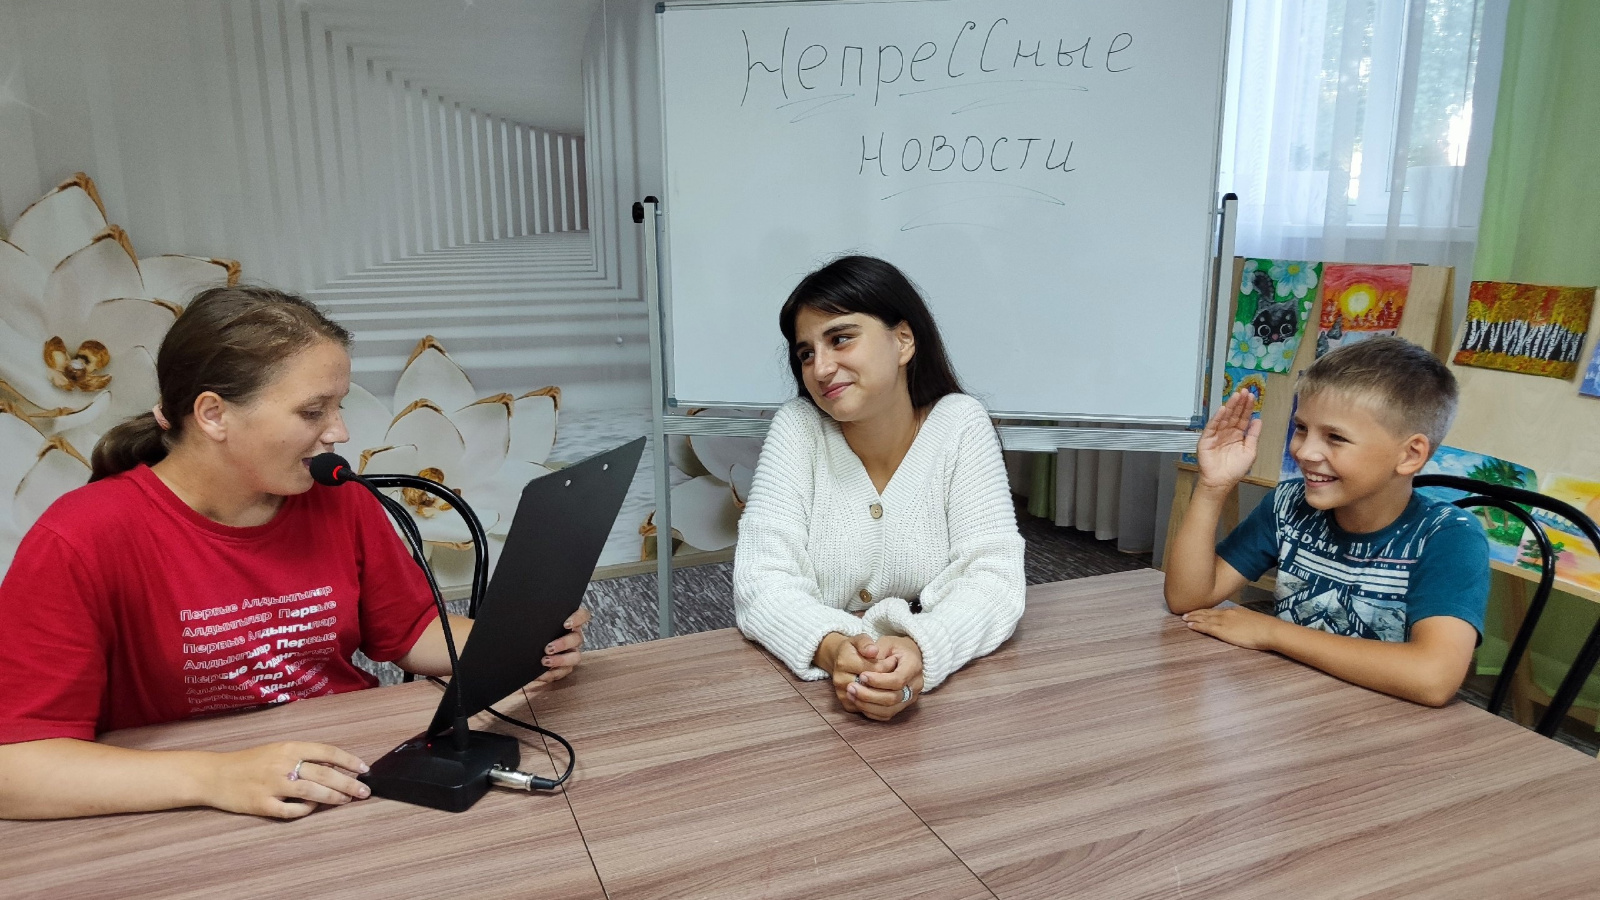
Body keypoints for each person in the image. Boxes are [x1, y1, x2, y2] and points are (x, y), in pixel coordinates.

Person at [0, 286, 588, 820]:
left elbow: (409, 631)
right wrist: (216, 776)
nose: (339, 432)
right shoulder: (79, 538)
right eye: (313, 411)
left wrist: (522, 642)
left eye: (338, 407)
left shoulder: (336, 498)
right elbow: (15, 769)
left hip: (346, 772)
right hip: (191, 806)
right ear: (213, 415)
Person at [733, 256, 1025, 721]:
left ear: (903, 340)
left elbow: (995, 579)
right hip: (806, 700)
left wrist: (921, 648)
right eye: (806, 353)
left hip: (951, 703)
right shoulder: (798, 428)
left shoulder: (960, 424)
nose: (820, 368)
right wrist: (834, 648)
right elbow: (761, 581)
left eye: (840, 339)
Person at [1164, 336, 1489, 706]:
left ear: (1410, 455)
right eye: (1302, 428)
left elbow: (1433, 678)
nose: (1304, 451)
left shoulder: (1448, 537)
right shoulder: (1288, 504)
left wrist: (1272, 632)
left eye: (1335, 437)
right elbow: (1186, 598)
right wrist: (1212, 487)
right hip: (1293, 706)